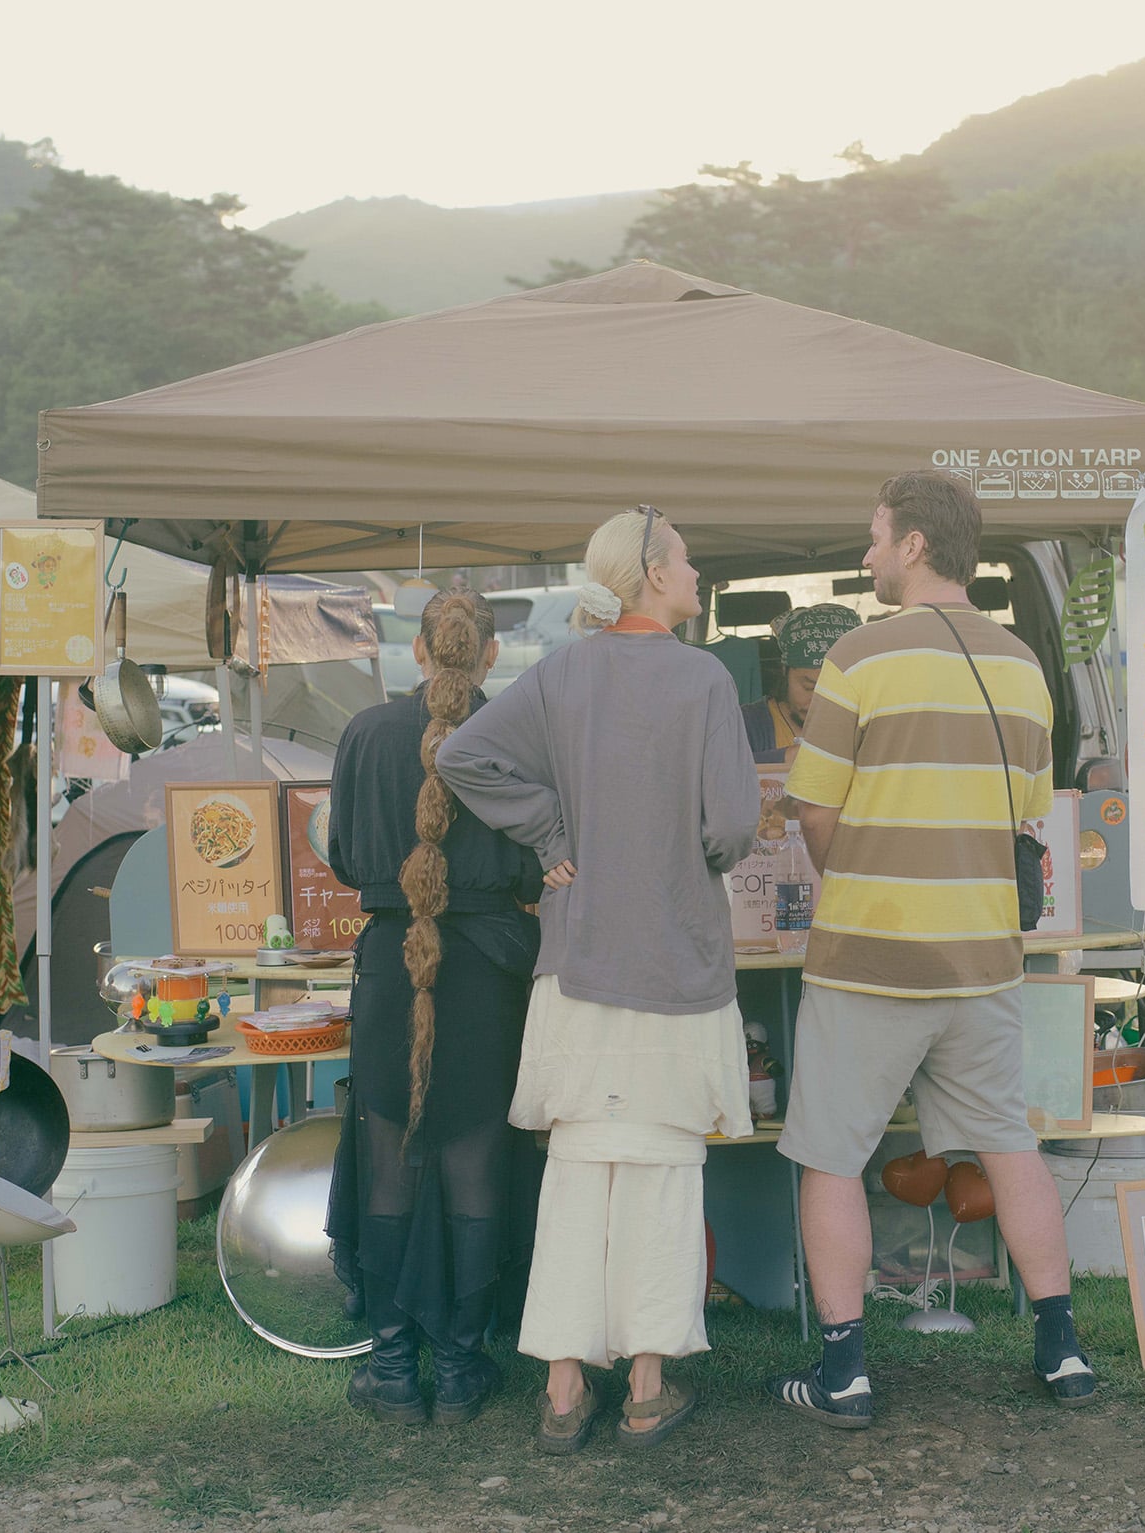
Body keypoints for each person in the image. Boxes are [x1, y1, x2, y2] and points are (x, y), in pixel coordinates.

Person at [766, 468, 1096, 1428]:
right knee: (1008, 1144)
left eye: (875, 536)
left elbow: (813, 812)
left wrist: (860, 871)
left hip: (870, 957)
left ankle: (845, 1372)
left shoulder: (859, 660)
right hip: (984, 958)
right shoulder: (1025, 667)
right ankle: (1062, 1349)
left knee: (831, 1157)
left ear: (914, 545)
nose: (866, 554)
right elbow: (1027, 817)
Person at [437, 505, 760, 1455]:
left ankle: (564, 1391)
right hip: (676, 960)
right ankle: (649, 1388)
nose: (697, 577)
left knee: (577, 1175)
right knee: (660, 1174)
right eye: (690, 562)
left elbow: (463, 755)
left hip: (576, 966)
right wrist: (684, 843)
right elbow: (733, 825)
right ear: (655, 573)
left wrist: (552, 831)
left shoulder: (561, 671)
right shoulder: (703, 679)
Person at [326, 590, 548, 1427]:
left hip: (391, 966)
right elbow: (533, 872)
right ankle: (459, 1367)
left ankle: (392, 1366)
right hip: (489, 972)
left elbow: (347, 858)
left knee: (390, 1156)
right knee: (475, 1162)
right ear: (490, 657)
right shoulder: (521, 735)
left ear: (417, 651)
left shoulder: (363, 733)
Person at [741, 603, 863, 764]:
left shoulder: (871, 722)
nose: (819, 702)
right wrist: (783, 758)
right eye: (809, 687)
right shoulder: (746, 724)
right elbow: (716, 770)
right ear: (784, 672)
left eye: (836, 690)